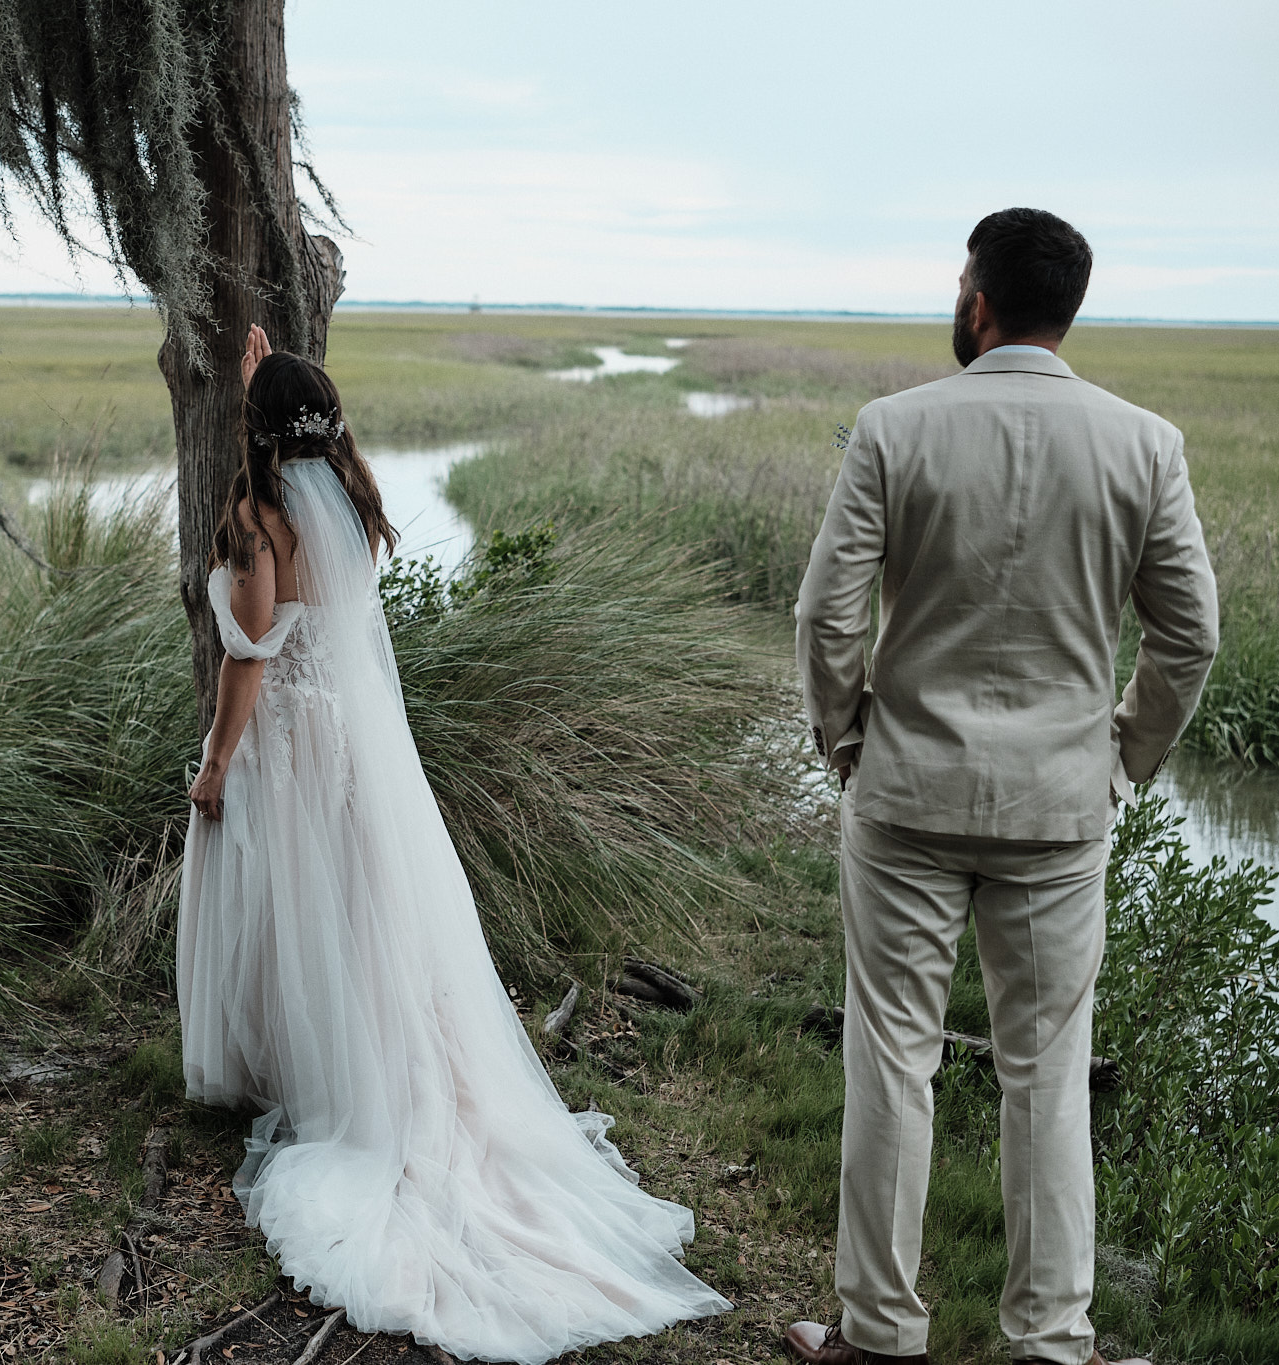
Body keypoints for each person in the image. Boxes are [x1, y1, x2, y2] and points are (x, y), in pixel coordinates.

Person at [178, 324, 732, 1365]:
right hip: (354, 739)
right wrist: (273, 389)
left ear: (255, 436)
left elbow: (247, 660)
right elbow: (308, 480)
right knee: (356, 907)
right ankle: (349, 1061)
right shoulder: (347, 501)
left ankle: (317, 1082)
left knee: (296, 899)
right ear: (330, 427)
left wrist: (215, 762)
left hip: (291, 739)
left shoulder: (257, 518)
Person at [783, 208, 1218, 1365]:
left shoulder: (892, 428)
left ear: (976, 298)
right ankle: (1049, 1337)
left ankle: (875, 1331)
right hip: (1058, 810)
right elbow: (1190, 636)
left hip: (904, 793)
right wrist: (1123, 749)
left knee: (890, 1056)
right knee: (1047, 1074)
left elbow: (826, 614)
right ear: (1064, 308)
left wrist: (843, 738)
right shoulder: (1141, 443)